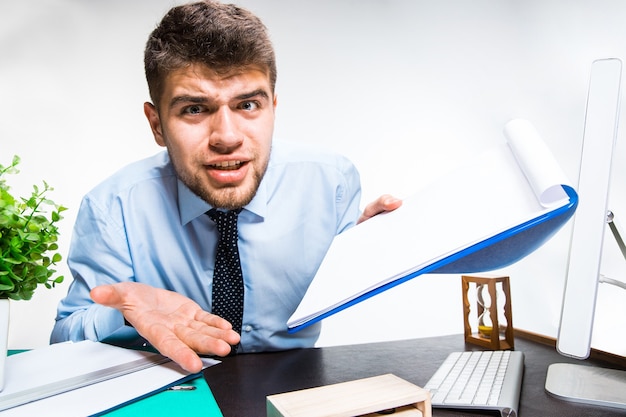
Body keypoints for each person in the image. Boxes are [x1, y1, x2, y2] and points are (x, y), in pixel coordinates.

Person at [51, 0, 401, 374]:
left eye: (248, 104)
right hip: (175, 392)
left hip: (296, 390)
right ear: (156, 125)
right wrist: (123, 316)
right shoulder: (113, 208)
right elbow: (62, 339)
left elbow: (345, 276)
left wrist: (372, 255)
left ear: (273, 108)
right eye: (194, 109)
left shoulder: (330, 183)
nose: (227, 137)